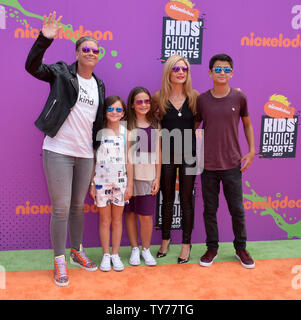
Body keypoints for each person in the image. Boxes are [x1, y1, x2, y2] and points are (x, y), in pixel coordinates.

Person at [25, 12, 105, 287]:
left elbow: (98, 123)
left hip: (85, 154)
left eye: (95, 50)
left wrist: (96, 152)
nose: (91, 53)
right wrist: (44, 39)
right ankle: (59, 259)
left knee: (77, 208)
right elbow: (32, 67)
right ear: (77, 52)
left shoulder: (99, 84)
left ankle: (76, 251)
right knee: (60, 209)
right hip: (58, 149)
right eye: (86, 49)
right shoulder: (61, 72)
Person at [195, 53, 255, 269]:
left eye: (226, 69)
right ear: (210, 72)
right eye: (217, 69)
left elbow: (247, 124)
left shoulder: (239, 97)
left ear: (232, 73)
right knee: (210, 210)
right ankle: (212, 248)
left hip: (232, 165)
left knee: (237, 210)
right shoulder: (202, 100)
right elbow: (194, 128)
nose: (222, 73)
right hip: (208, 166)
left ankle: (240, 248)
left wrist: (251, 151)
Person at [153, 55, 199, 264]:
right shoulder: (158, 97)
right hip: (168, 157)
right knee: (167, 198)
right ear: (168, 72)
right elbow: (157, 130)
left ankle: (186, 245)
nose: (181, 72)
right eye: (176, 69)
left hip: (188, 155)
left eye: (184, 69)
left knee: (187, 200)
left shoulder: (194, 97)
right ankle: (165, 240)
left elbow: (195, 125)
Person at [90, 96, 133, 272]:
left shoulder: (127, 133)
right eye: (110, 109)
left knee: (117, 220)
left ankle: (115, 254)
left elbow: (129, 160)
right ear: (105, 112)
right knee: (104, 220)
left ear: (123, 113)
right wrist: (92, 183)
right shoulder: (97, 132)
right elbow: (93, 160)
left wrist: (129, 185)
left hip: (120, 184)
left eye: (118, 110)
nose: (114, 113)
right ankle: (106, 255)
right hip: (101, 184)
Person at [124, 87, 161, 266]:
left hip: (148, 177)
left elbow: (159, 153)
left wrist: (158, 178)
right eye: (139, 101)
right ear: (132, 105)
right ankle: (134, 248)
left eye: (147, 101)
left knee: (146, 216)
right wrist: (128, 182)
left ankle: (146, 249)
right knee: (130, 214)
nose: (144, 104)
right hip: (128, 178)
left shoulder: (155, 125)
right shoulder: (125, 126)